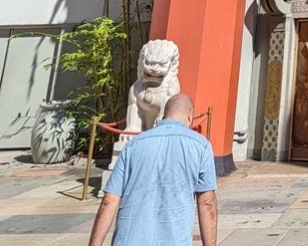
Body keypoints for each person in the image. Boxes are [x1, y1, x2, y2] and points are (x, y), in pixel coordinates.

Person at [87, 93, 217, 246]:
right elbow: (207, 203)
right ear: (191, 116)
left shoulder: (133, 145)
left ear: (163, 115)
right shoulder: (201, 146)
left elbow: (109, 201)